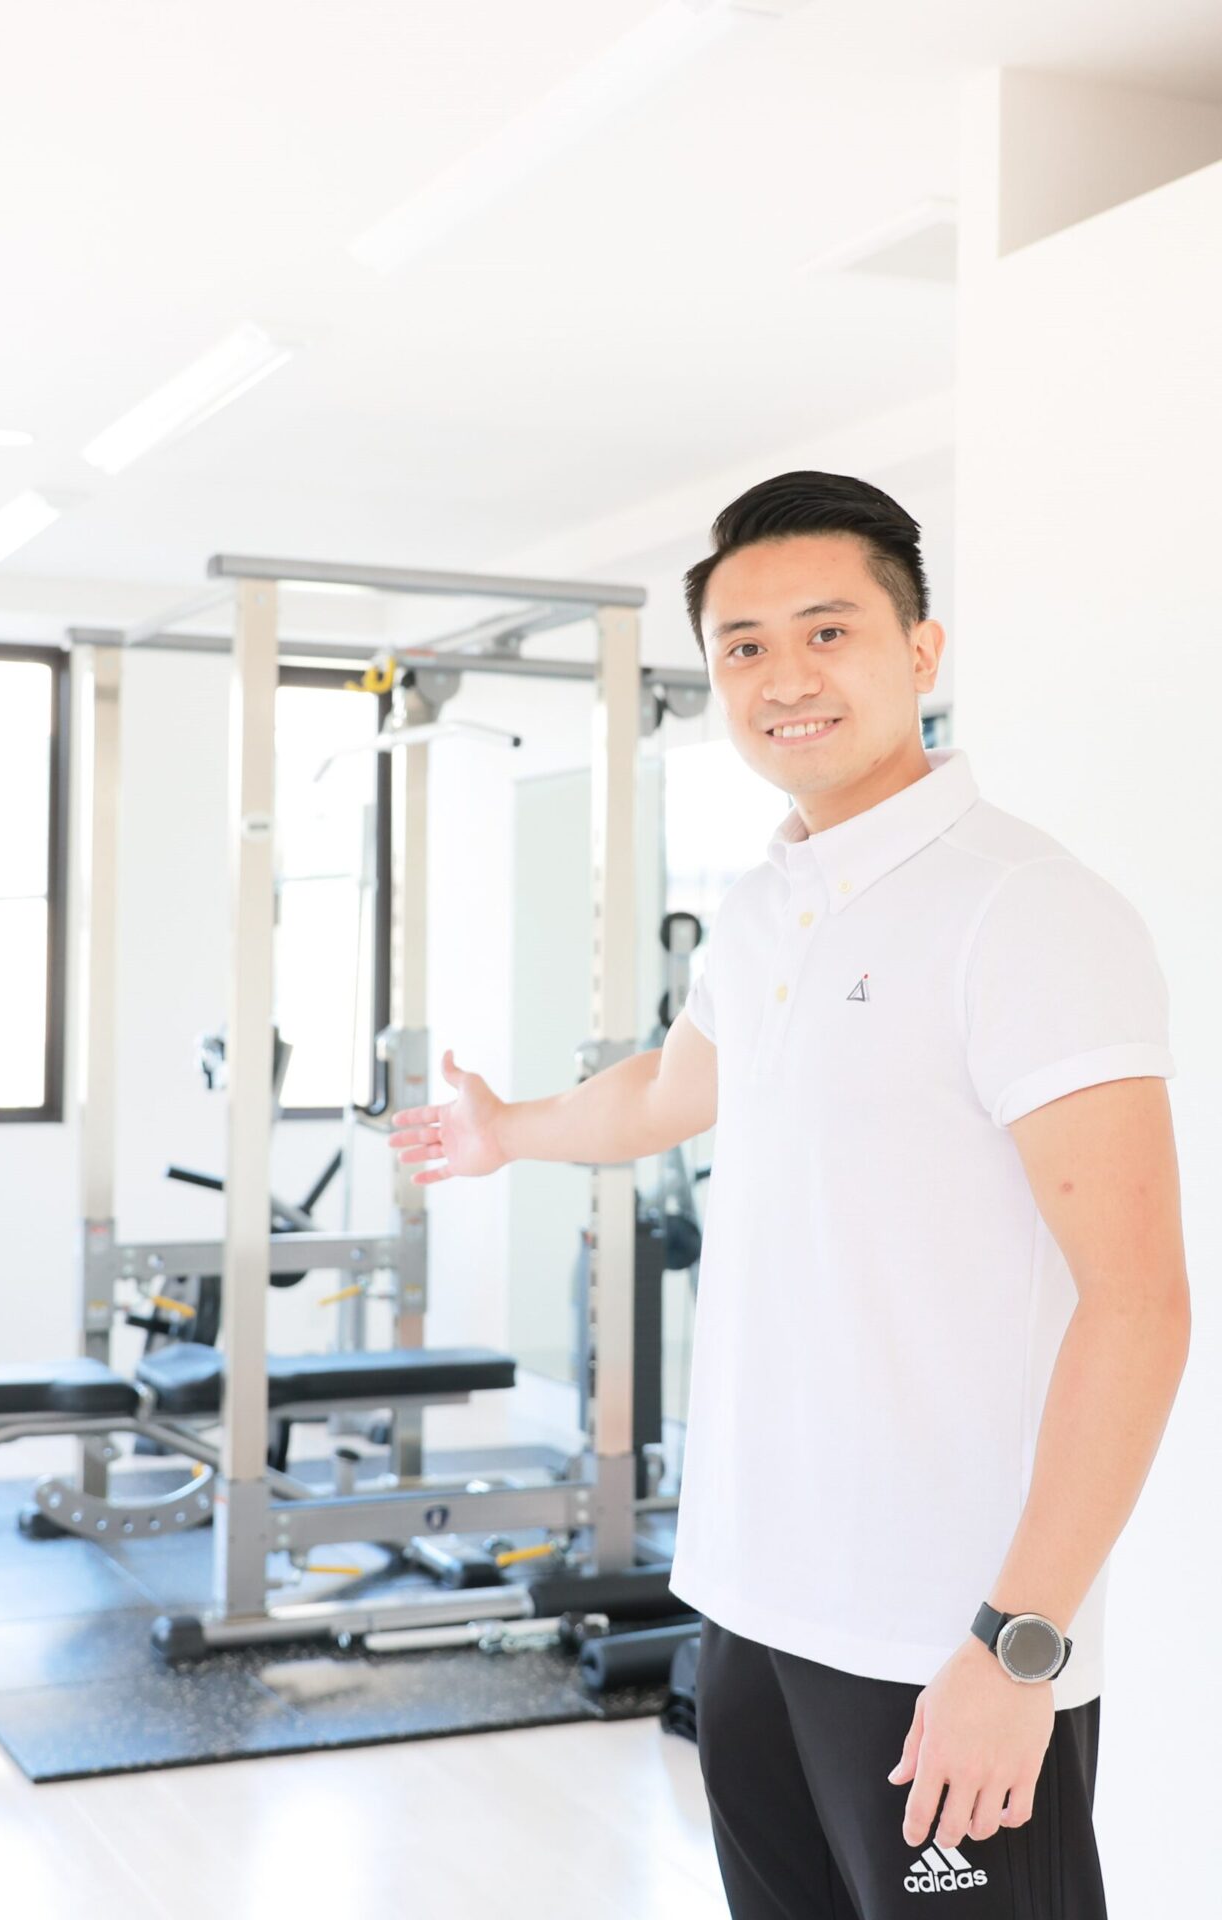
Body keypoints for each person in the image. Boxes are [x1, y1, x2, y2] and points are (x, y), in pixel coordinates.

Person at [387, 471, 1189, 1917]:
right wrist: (508, 1132)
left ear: (921, 651)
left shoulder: (1027, 909)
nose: (784, 677)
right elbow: (667, 1090)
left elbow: (1139, 1305)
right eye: (744, 646)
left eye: (829, 631)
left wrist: (1019, 1646)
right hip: (754, 1603)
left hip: (943, 1633)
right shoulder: (765, 908)